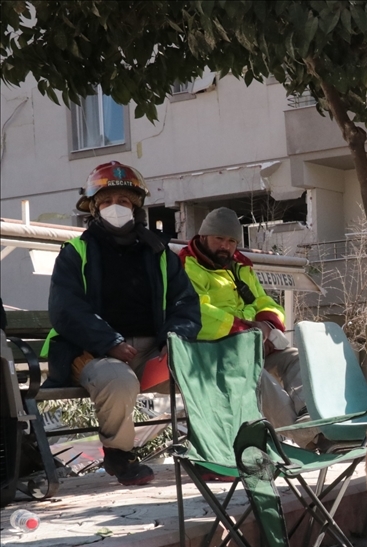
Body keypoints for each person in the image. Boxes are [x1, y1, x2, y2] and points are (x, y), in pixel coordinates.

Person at [45, 161, 201, 485]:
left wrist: (173, 341)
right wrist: (109, 342)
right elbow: (66, 308)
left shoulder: (160, 253)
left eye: (123, 201)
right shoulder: (76, 252)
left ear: (136, 206)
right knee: (118, 381)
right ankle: (120, 456)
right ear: (93, 208)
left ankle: (211, 452)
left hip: (152, 352)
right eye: (106, 201)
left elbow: (185, 303)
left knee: (204, 372)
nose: (115, 207)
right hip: (93, 352)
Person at [178, 208, 307, 431]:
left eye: (231, 241)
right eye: (219, 238)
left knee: (296, 358)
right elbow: (198, 312)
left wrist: (267, 326)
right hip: (213, 355)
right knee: (255, 376)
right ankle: (307, 436)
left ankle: (309, 414)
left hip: (251, 347)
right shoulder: (186, 265)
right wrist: (248, 335)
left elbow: (266, 302)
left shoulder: (240, 267)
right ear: (203, 236)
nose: (225, 246)